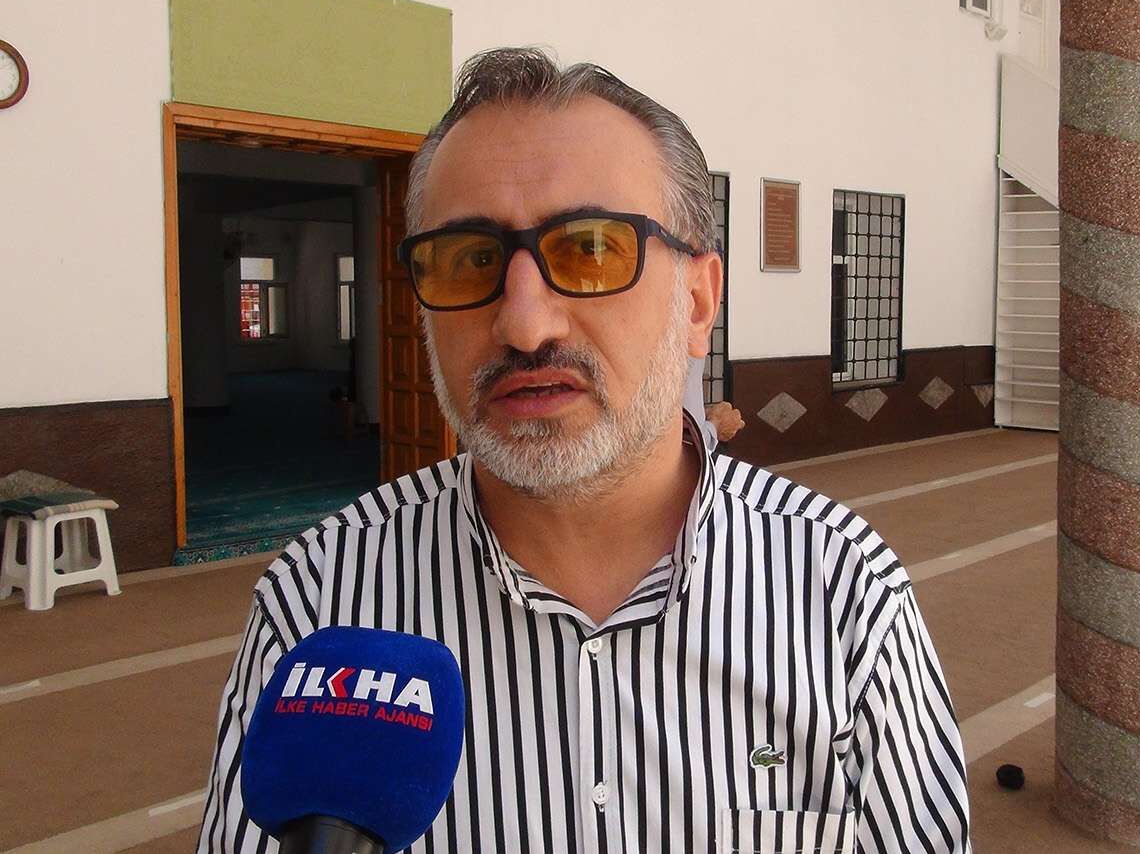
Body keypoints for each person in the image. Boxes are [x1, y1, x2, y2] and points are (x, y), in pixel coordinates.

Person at [198, 47, 969, 853]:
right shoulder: (321, 600)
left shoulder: (843, 591)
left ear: (697, 301)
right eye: (470, 261)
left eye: (592, 250)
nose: (525, 325)